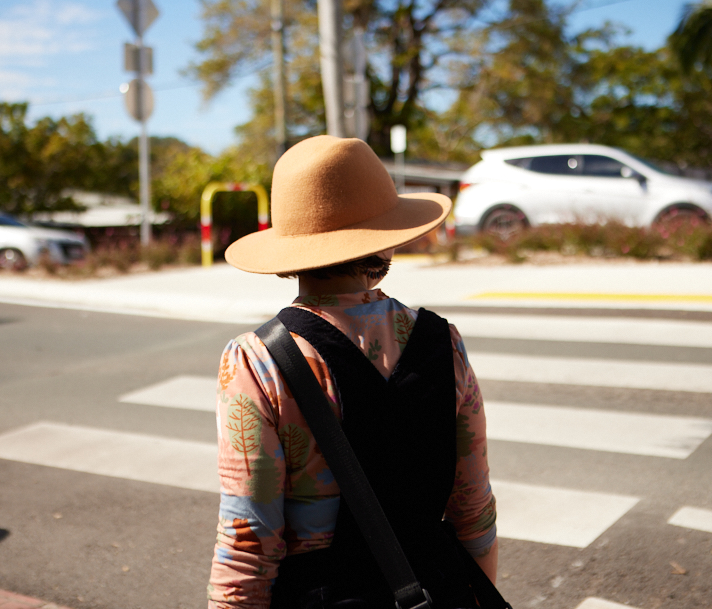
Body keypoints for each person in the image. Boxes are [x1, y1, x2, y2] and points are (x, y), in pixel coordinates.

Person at [207, 135, 497, 609]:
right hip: (438, 587)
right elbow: (472, 506)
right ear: (384, 238)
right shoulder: (443, 342)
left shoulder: (257, 360)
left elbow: (248, 542)